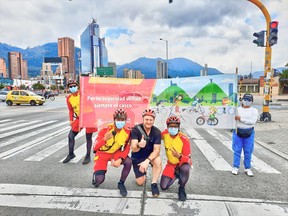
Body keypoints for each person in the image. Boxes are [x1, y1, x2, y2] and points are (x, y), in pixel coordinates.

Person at [92, 109, 132, 197]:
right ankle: (96, 174)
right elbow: (95, 148)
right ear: (114, 120)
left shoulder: (127, 132)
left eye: (122, 120)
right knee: (99, 180)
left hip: (115, 153)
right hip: (102, 154)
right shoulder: (105, 129)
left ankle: (121, 183)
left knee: (129, 162)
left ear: (125, 120)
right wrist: (104, 139)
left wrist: (120, 158)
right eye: (118, 120)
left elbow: (126, 148)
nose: (120, 122)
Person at [63, 79, 98, 164]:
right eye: (71, 87)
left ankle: (87, 156)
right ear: (68, 88)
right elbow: (71, 110)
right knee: (71, 136)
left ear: (77, 86)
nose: (73, 88)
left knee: (88, 137)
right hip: (79, 118)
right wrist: (71, 120)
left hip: (89, 116)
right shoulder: (69, 98)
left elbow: (92, 104)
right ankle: (71, 154)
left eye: (74, 86)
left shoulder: (83, 94)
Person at [130, 109, 162, 197]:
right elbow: (133, 148)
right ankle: (140, 172)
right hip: (138, 156)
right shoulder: (136, 130)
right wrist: (139, 145)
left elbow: (157, 150)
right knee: (140, 182)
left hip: (149, 156)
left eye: (151, 120)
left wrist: (147, 161)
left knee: (158, 161)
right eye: (146, 119)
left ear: (154, 120)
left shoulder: (157, 132)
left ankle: (154, 183)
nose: (148, 122)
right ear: (143, 119)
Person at [160, 116, 192, 201]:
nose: (173, 128)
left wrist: (179, 156)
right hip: (171, 164)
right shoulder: (165, 134)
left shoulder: (184, 138)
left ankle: (182, 187)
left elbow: (188, 158)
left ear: (178, 127)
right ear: (167, 127)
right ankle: (177, 175)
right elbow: (154, 136)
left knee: (185, 168)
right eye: (171, 126)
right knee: (163, 186)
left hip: (182, 164)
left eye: (175, 126)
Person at [232, 93, 258, 177]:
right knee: (237, 150)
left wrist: (240, 119)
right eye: (245, 99)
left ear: (252, 101)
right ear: (242, 100)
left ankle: (247, 168)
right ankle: (235, 167)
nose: (247, 101)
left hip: (249, 133)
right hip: (237, 132)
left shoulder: (254, 110)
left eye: (249, 100)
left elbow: (252, 121)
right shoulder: (237, 109)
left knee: (248, 151)